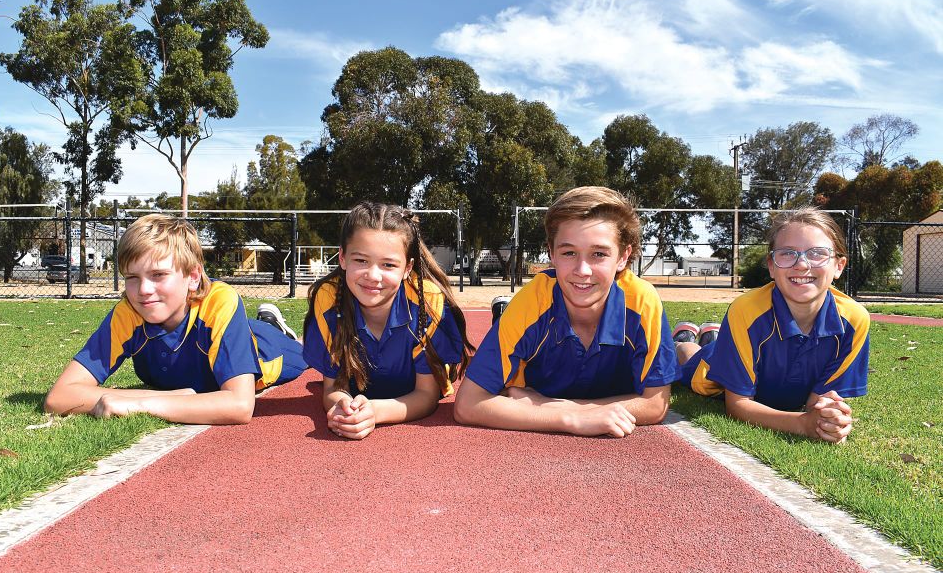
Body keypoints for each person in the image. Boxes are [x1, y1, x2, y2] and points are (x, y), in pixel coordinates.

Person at [453, 186, 680, 437]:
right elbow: (467, 404)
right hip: (526, 327)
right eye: (569, 252)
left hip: (554, 393)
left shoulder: (641, 303)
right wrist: (570, 418)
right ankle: (502, 315)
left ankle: (686, 341)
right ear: (551, 252)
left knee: (688, 362)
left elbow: (655, 404)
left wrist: (550, 406)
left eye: (599, 254)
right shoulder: (531, 303)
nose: (582, 270)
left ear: (623, 257)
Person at [44, 214, 306, 425]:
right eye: (132, 277)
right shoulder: (129, 312)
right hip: (219, 344)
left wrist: (138, 404)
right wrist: (162, 397)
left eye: (158, 275)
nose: (143, 289)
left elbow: (239, 405)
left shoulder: (219, 302)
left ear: (193, 277)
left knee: (308, 351)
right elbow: (60, 397)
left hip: (266, 348)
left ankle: (278, 328)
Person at [675, 207, 868, 443]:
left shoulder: (855, 320)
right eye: (787, 253)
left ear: (839, 266)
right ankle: (684, 340)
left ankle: (711, 334)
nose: (801, 264)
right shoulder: (746, 310)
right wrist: (803, 425)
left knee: (713, 344)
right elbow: (737, 406)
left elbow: (817, 403)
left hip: (745, 353)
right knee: (689, 360)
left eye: (817, 253)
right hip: (713, 367)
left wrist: (829, 419)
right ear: (771, 266)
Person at [302, 202, 474, 440]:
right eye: (361, 260)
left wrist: (375, 411)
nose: (373, 275)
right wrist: (342, 408)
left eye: (388, 265)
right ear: (342, 257)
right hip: (358, 392)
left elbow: (427, 395)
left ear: (408, 268)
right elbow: (332, 388)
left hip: (412, 393)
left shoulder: (429, 303)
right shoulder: (329, 298)